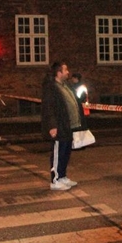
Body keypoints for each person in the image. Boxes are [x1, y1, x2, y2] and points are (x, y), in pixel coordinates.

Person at [41, 62, 84, 190]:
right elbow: (49, 107)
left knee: (65, 152)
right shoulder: (51, 87)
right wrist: (52, 125)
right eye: (65, 70)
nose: (68, 72)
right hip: (59, 125)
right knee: (58, 153)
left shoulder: (65, 85)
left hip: (68, 125)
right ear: (59, 72)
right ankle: (55, 180)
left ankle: (62, 176)